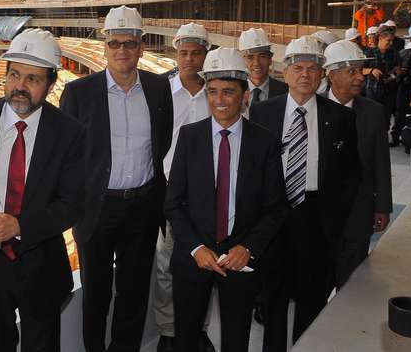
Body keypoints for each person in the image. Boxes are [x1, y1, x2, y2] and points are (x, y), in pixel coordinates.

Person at [0, 29, 85, 352]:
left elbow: (71, 204)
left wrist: (19, 225)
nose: (20, 87)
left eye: (33, 79)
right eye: (14, 75)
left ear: (52, 84)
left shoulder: (70, 132)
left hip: (40, 264)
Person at [60, 5, 173, 352]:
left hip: (142, 205)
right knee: (95, 293)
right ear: (104, 47)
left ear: (141, 47)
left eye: (129, 43)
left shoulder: (157, 88)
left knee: (134, 292)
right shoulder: (79, 93)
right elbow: (68, 154)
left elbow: (162, 140)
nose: (122, 50)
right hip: (97, 209)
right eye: (115, 43)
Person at [164, 48, 288, 352]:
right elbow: (173, 202)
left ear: (245, 95)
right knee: (186, 337)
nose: (219, 100)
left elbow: (277, 207)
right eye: (213, 92)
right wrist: (195, 247)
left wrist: (248, 247)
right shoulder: (189, 137)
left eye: (228, 92)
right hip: (195, 256)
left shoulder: (264, 142)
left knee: (236, 338)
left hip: (240, 258)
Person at [250, 36, 361, 351]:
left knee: (311, 296)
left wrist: (336, 218)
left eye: (313, 69)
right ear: (284, 73)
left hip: (315, 218)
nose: (305, 75)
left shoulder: (340, 117)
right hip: (273, 217)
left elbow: (352, 173)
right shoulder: (263, 113)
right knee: (272, 297)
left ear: (322, 75)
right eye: (298, 67)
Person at [155, 23, 214, 352]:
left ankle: (199, 328)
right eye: (183, 53)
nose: (189, 59)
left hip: (207, 192)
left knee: (206, 263)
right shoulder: (162, 93)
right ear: (175, 55)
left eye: (196, 53)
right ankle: (168, 329)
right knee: (166, 264)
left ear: (205, 55)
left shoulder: (215, 92)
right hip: (168, 191)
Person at [323, 41, 393, 288]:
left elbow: (381, 163)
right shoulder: (311, 108)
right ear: (331, 75)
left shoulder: (374, 113)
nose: (359, 78)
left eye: (360, 71)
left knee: (352, 281)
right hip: (319, 214)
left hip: (359, 212)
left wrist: (382, 207)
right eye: (351, 71)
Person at [363, 27, 402, 145]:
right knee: (371, 116)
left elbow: (398, 70)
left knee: (385, 118)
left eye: (392, 41)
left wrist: (393, 77)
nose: (391, 43)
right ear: (380, 38)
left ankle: (382, 140)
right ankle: (369, 140)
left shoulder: (394, 53)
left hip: (389, 91)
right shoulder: (368, 53)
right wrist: (371, 70)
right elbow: (359, 70)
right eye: (388, 41)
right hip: (372, 90)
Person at [237, 27, 288, 109]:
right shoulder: (233, 92)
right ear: (241, 60)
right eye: (250, 57)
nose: (257, 63)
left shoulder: (286, 93)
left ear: (270, 59)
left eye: (262, 56)